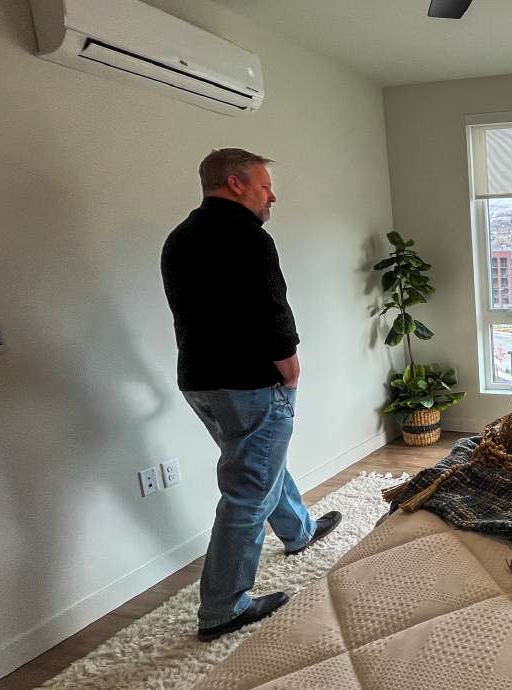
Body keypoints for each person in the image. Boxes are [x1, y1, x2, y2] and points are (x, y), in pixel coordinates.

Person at [160, 148, 341, 641]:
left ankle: (299, 531)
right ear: (235, 184)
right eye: (265, 186)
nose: (272, 196)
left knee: (256, 463)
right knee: (248, 490)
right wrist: (290, 366)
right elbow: (270, 309)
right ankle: (222, 607)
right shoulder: (248, 237)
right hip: (250, 380)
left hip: (200, 381)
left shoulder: (178, 239)